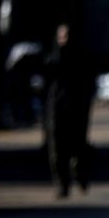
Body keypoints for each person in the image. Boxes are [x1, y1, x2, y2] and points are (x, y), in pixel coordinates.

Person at [42, 24, 95, 199]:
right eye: (62, 37)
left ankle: (80, 174)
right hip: (57, 107)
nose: (65, 41)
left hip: (77, 106)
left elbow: (90, 81)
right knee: (57, 148)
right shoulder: (53, 57)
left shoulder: (82, 57)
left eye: (68, 37)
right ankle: (62, 184)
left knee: (78, 145)